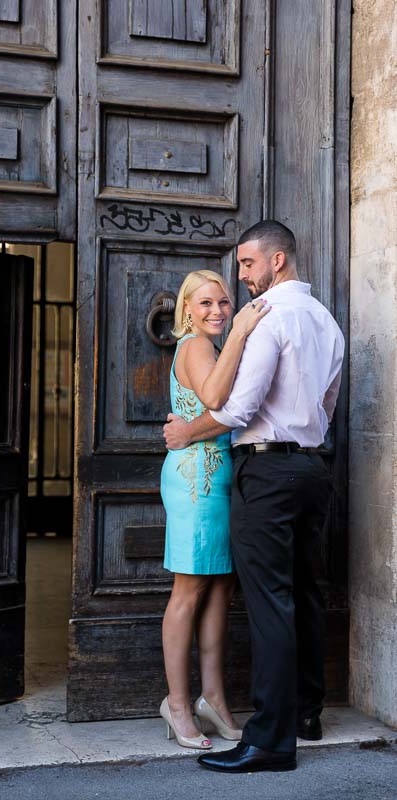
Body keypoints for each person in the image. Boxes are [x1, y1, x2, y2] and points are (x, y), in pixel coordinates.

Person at [163, 221, 344, 773]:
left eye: (246, 265)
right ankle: (306, 714)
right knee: (307, 593)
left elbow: (238, 407)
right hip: (313, 467)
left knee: (270, 604)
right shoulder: (326, 321)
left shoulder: (268, 318)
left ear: (277, 261)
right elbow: (329, 400)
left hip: (267, 471)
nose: (242, 278)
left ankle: (269, 739)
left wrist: (187, 431)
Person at [160, 269, 270, 749]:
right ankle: (178, 705)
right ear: (186, 308)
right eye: (205, 303)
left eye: (224, 303)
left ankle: (215, 700)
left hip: (220, 475)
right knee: (188, 592)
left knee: (220, 590)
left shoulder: (214, 347)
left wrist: (190, 427)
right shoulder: (196, 347)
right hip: (195, 482)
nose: (218, 312)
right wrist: (243, 330)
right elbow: (215, 398)